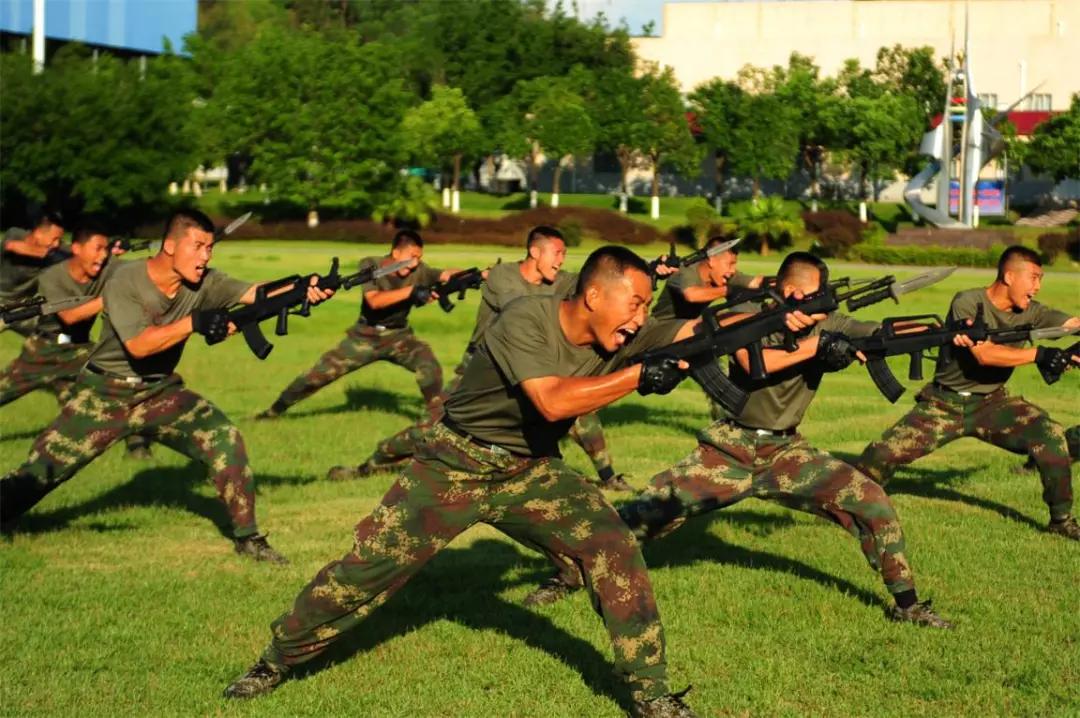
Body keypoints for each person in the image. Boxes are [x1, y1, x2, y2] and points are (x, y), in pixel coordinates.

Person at [222, 246, 787, 717]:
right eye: (634, 302)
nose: (641, 316)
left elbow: (693, 328)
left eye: (645, 306)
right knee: (365, 572)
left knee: (613, 546)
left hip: (529, 471)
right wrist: (642, 376)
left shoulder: (622, 334)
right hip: (453, 466)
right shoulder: (526, 318)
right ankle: (277, 658)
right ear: (594, 295)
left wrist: (776, 315)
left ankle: (652, 694)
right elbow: (552, 399)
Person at [526, 252, 954, 628]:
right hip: (729, 450)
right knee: (642, 516)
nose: (823, 317)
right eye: (815, 302)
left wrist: (948, 337)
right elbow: (755, 365)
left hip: (788, 452)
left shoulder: (829, 323)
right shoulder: (749, 314)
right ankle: (567, 573)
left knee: (873, 502)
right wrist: (819, 347)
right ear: (790, 291)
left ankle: (908, 605)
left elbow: (880, 334)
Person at [0, 209, 332, 562]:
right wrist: (196, 322)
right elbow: (140, 345)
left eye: (210, 248)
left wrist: (303, 287)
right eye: (198, 246)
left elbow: (257, 293)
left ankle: (248, 537)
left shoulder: (205, 282)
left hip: (160, 392)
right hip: (105, 394)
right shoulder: (124, 281)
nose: (206, 256)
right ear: (171, 246)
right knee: (35, 478)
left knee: (224, 439)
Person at [331, 226, 635, 491]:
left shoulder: (558, 281)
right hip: (479, 373)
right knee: (431, 429)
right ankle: (370, 465)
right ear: (534, 252)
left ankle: (609, 478)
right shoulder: (502, 277)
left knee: (576, 409)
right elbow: (524, 309)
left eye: (564, 255)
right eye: (557, 253)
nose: (561, 260)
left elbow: (597, 283)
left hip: (528, 370)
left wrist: (643, 275)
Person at [856, 245, 1080, 539]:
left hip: (994, 403)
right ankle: (848, 507)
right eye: (1034, 278)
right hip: (943, 404)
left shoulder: (1034, 313)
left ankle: (1061, 520)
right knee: (879, 456)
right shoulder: (969, 302)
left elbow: (1073, 325)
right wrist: (1038, 355)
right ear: (1010, 276)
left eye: (1041, 280)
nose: (1037, 287)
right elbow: (985, 355)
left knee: (1051, 437)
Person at [255, 230, 456, 422]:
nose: (415, 263)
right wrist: (413, 292)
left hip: (399, 337)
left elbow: (447, 275)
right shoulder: (371, 266)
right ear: (396, 252)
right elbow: (374, 301)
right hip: (364, 337)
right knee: (316, 376)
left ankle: (436, 419)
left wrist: (481, 275)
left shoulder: (420, 270)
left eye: (419, 258)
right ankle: (274, 411)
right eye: (412, 257)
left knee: (429, 365)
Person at [649, 235, 761, 421]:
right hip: (659, 337)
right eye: (729, 264)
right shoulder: (684, 272)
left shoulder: (724, 276)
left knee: (720, 387)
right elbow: (692, 295)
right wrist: (729, 291)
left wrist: (789, 284)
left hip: (691, 338)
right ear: (711, 260)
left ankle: (723, 429)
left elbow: (756, 282)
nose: (733, 271)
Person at [0, 210, 68, 336]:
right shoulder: (15, 234)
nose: (57, 244)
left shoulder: (57, 250)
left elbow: (78, 252)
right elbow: (12, 246)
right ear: (38, 233)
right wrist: (47, 255)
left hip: (21, 309)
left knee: (56, 335)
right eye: (54, 239)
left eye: (59, 240)